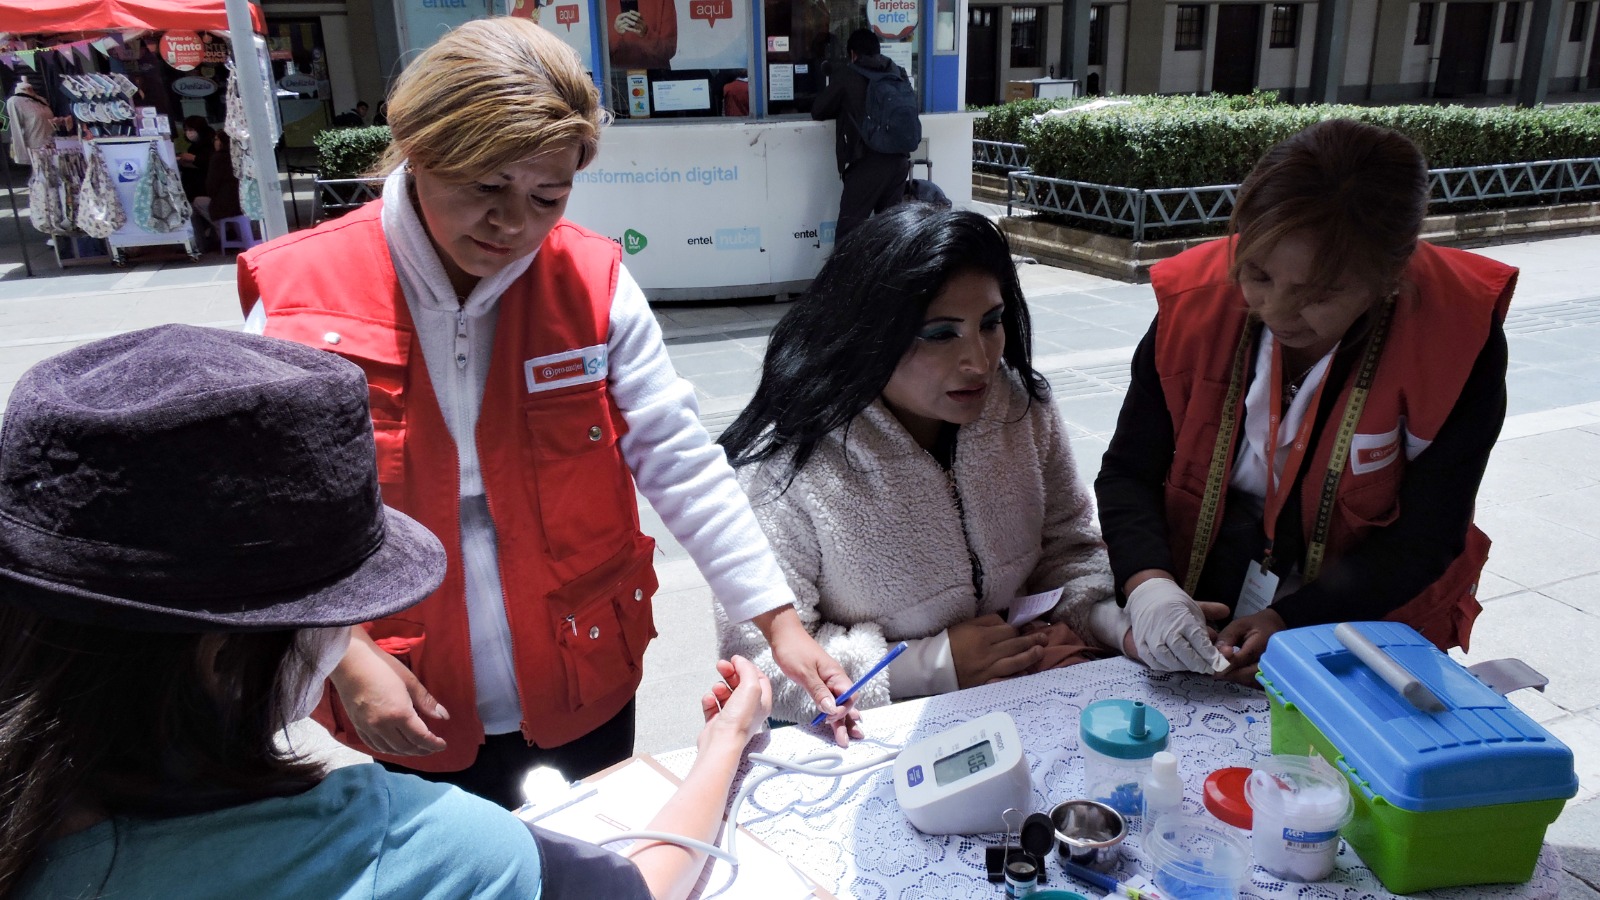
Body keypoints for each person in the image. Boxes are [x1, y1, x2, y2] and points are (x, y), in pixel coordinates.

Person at [236, 17, 856, 809]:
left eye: (546, 196)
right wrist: (342, 656)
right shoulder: (302, 297)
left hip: (582, 668)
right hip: (402, 685)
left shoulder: (590, 283)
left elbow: (678, 458)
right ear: (417, 148)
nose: (513, 225)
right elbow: (269, 517)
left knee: (595, 854)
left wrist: (778, 621)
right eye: (485, 188)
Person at [0, 323, 775, 900]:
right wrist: (725, 742)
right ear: (227, 657)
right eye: (343, 616)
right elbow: (646, 884)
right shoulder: (403, 845)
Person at [1094, 118, 1516, 684]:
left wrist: (1293, 619)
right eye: (1258, 273)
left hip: (1366, 614)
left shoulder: (1458, 340)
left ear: (1390, 277)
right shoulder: (1193, 308)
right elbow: (1129, 470)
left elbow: (1427, 535)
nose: (1277, 311)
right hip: (1201, 584)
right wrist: (1149, 587)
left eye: (1319, 293)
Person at [717, 206, 1120, 723]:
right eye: (940, 333)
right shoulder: (788, 463)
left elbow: (1070, 547)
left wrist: (1111, 620)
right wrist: (931, 666)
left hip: (1022, 707)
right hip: (867, 740)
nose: (979, 359)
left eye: (991, 323)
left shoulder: (1022, 408)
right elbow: (755, 659)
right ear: (871, 332)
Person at [811, 28, 912, 239]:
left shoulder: (849, 75)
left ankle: (844, 274)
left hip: (868, 161)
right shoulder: (898, 72)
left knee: (848, 235)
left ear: (852, 54)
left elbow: (818, 110)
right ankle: (887, 273)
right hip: (900, 161)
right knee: (889, 235)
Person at [192, 131, 243, 245]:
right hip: (242, 200)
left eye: (216, 139)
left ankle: (223, 231)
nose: (214, 142)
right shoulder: (239, 155)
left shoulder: (218, 158)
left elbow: (211, 185)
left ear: (222, 142)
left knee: (197, 202)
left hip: (226, 204)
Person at [607, 0, 678, 69]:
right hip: (614, 76)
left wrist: (646, 34)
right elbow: (598, 55)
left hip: (655, 74)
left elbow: (669, 50)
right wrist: (616, 34)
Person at [6, 78, 58, 166]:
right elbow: (16, 130)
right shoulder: (14, 102)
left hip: (54, 146)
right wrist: (21, 156)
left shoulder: (41, 100)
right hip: (36, 149)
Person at [176, 115, 215, 201]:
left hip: (204, 189)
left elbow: (209, 164)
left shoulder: (211, 145)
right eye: (186, 130)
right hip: (193, 189)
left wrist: (193, 158)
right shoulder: (192, 147)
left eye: (191, 130)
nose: (188, 133)